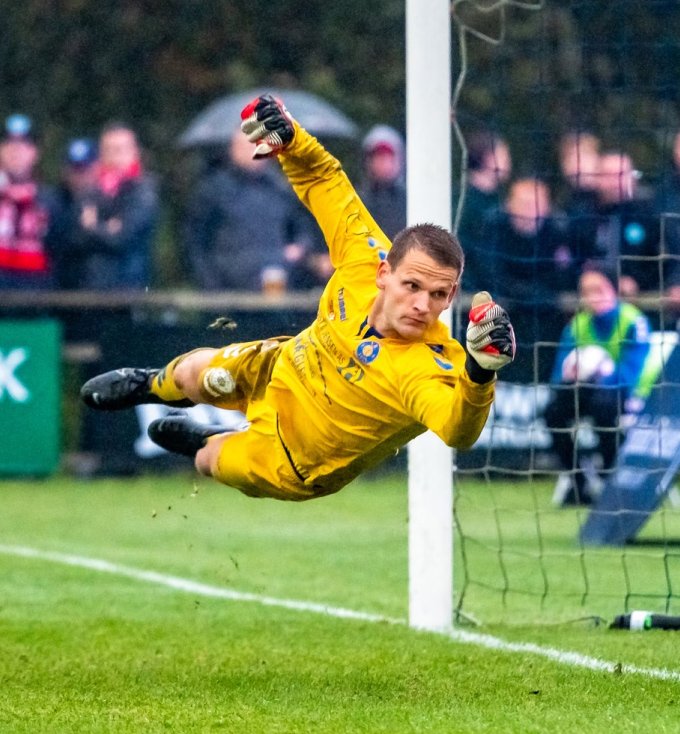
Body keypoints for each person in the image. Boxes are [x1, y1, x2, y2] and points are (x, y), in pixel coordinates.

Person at [81, 94, 516, 502]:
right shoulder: (364, 257)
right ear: (385, 272)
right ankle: (148, 384)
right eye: (412, 286)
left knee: (211, 461)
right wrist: (290, 138)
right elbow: (327, 181)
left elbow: (457, 429)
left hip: (294, 458)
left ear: (451, 296)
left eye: (438, 295)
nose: (422, 305)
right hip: (281, 366)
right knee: (196, 372)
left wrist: (480, 374)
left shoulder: (428, 367)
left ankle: (204, 442)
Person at [544, 262, 651, 506]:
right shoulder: (577, 325)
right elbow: (559, 373)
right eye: (586, 291)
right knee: (552, 412)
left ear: (613, 289)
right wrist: (570, 374)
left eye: (598, 289)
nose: (593, 297)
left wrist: (604, 374)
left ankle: (610, 477)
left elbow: (632, 372)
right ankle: (579, 482)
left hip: (625, 393)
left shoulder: (633, 321)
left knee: (604, 407)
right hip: (585, 391)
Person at [184, 126, 323, 292]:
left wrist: (300, 247)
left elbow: (302, 226)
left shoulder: (279, 187)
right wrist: (210, 284)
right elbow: (196, 240)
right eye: (248, 146)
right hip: (229, 288)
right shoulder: (214, 189)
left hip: (277, 283)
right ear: (233, 149)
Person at [480, 176, 573, 380]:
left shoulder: (559, 231)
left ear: (547, 208)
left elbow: (562, 278)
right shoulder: (493, 228)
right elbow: (488, 273)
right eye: (523, 203)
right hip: (501, 321)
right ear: (509, 204)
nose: (529, 211)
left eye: (535, 204)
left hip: (546, 323)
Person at [76, 122, 160, 289]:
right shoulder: (91, 189)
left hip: (129, 286)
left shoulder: (143, 190)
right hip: (92, 287)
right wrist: (108, 228)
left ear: (135, 152)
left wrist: (93, 227)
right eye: (108, 150)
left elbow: (123, 238)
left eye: (120, 150)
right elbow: (77, 237)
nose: (114, 157)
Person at [453, 129, 512, 294]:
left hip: (498, 290)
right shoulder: (462, 200)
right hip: (468, 291)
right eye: (504, 155)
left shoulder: (502, 200)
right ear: (488, 158)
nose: (508, 161)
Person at [0, 113, 55, 289]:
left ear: (34, 152)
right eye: (9, 144)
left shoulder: (49, 199)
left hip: (35, 293)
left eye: (23, 145)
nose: (16, 151)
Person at [49, 138, 100, 289]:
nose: (79, 176)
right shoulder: (54, 202)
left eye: (84, 169)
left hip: (98, 289)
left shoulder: (107, 202)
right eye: (75, 169)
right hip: (59, 286)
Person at [357, 125, 406, 240]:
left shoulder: (410, 201)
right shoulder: (358, 200)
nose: (383, 163)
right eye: (378, 157)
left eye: (388, 157)